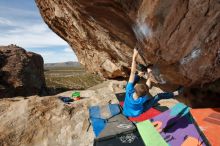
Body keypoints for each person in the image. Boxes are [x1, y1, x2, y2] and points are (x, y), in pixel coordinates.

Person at [123, 48, 183, 117]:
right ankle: (177, 93)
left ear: (135, 89)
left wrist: (134, 57)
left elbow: (132, 73)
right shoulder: (142, 99)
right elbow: (147, 85)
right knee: (159, 96)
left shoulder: (129, 91)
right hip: (140, 111)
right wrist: (149, 73)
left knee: (131, 81)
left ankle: (140, 74)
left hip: (126, 111)